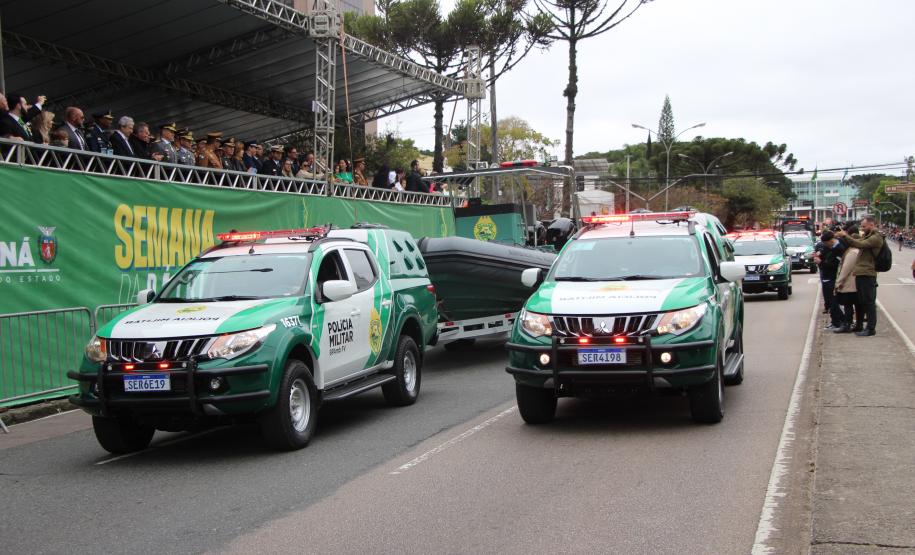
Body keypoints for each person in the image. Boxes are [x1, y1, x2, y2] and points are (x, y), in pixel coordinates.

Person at [835, 216, 884, 336]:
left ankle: (870, 329)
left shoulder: (875, 237)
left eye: (864, 226)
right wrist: (851, 235)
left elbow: (859, 244)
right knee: (862, 301)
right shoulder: (868, 236)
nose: (862, 228)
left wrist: (845, 235)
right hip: (862, 273)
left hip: (868, 273)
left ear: (872, 225)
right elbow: (859, 240)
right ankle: (860, 325)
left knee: (869, 302)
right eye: (861, 226)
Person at [814, 230, 846, 330]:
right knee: (829, 301)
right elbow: (824, 254)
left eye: (826, 243)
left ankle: (837, 322)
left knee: (832, 301)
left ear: (831, 241)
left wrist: (821, 262)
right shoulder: (828, 247)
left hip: (833, 277)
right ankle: (840, 320)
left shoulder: (839, 249)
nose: (825, 245)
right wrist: (818, 255)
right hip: (826, 277)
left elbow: (835, 265)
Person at [834, 224, 862, 334]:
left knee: (848, 305)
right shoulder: (857, 250)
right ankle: (857, 324)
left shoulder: (852, 252)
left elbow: (845, 269)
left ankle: (847, 324)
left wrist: (838, 283)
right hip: (855, 283)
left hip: (850, 284)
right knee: (857, 305)